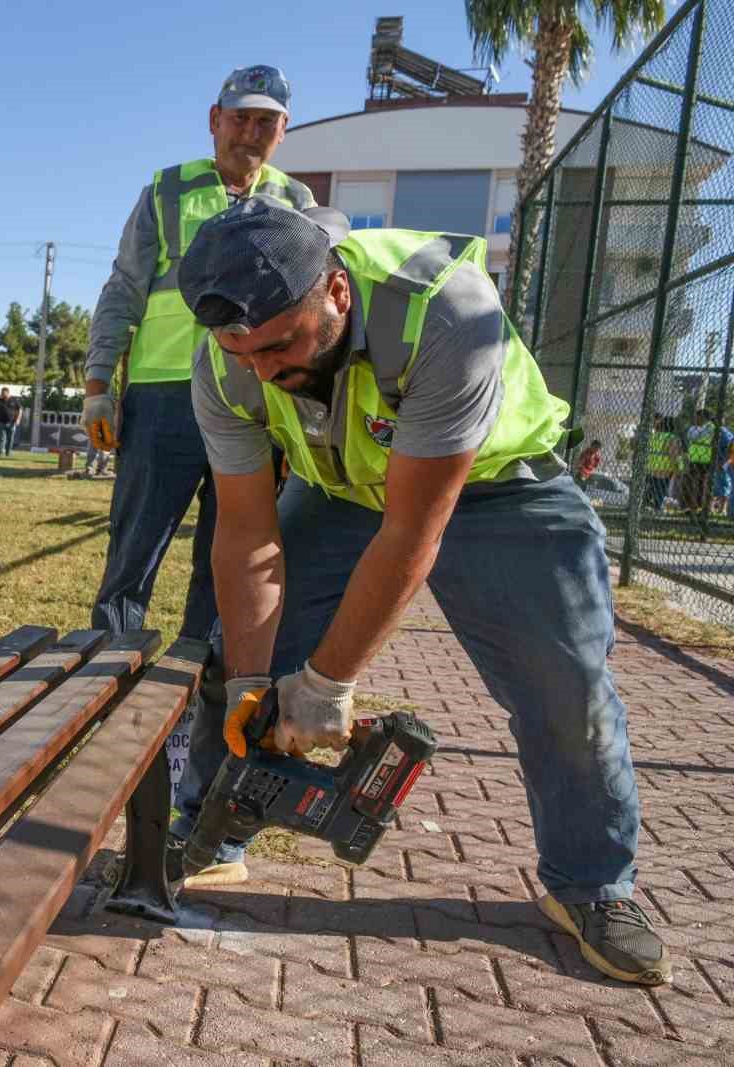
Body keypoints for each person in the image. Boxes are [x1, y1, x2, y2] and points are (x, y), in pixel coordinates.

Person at [172, 196, 669, 987]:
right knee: (236, 656)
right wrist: (256, 685)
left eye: (279, 346)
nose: (262, 371)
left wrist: (326, 684)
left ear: (336, 292)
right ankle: (211, 831)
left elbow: (410, 535)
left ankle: (591, 886)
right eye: (241, 351)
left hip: (498, 489)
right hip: (343, 487)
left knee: (564, 684)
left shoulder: (444, 312)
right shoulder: (225, 363)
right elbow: (245, 533)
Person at [79, 64, 314, 654]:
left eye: (267, 121)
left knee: (230, 547)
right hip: (163, 398)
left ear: (283, 130)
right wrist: (98, 383)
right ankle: (107, 665)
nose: (250, 132)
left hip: (254, 404)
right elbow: (124, 289)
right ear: (215, 120)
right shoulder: (166, 190)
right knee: (134, 546)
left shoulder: (296, 202)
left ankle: (197, 677)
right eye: (240, 118)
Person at [645, 416, 680, 512]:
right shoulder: (671, 438)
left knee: (653, 489)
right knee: (661, 492)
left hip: (651, 467)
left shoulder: (654, 436)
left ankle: (649, 506)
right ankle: (658, 509)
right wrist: (676, 469)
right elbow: (673, 455)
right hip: (664, 469)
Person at [0, 387, 22, 456]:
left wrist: (18, 419)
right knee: (1, 438)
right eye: (1, 393)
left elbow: (20, 410)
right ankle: (1, 452)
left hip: (11, 422)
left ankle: (8, 452)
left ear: (7, 392)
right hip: (0, 422)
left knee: (10, 439)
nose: (2, 394)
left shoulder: (14, 400)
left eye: (3, 393)